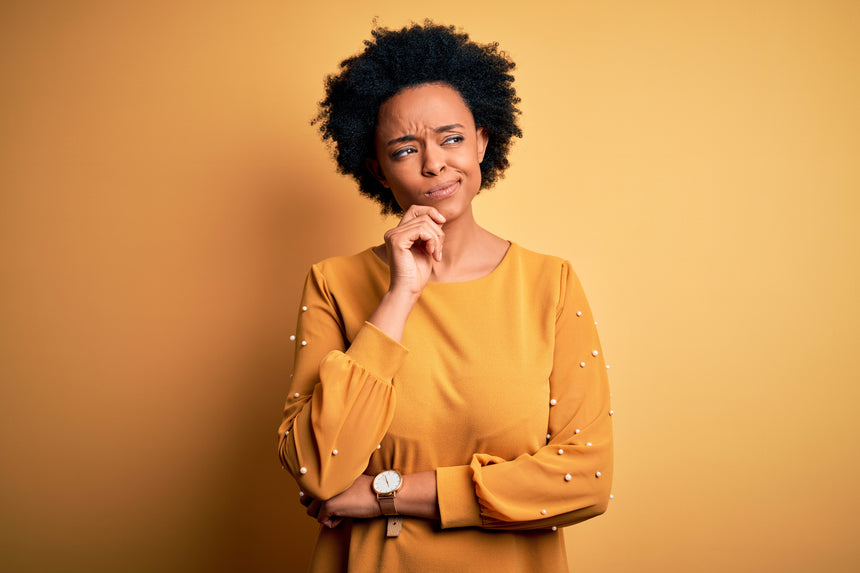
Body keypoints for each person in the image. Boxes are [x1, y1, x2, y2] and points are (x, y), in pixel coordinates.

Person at [277, 21, 613, 573]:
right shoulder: (333, 284)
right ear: (377, 170)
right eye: (405, 149)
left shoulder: (550, 284)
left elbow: (585, 479)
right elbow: (319, 469)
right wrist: (400, 295)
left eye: (451, 138)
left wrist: (382, 494)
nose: (434, 163)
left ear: (483, 140)